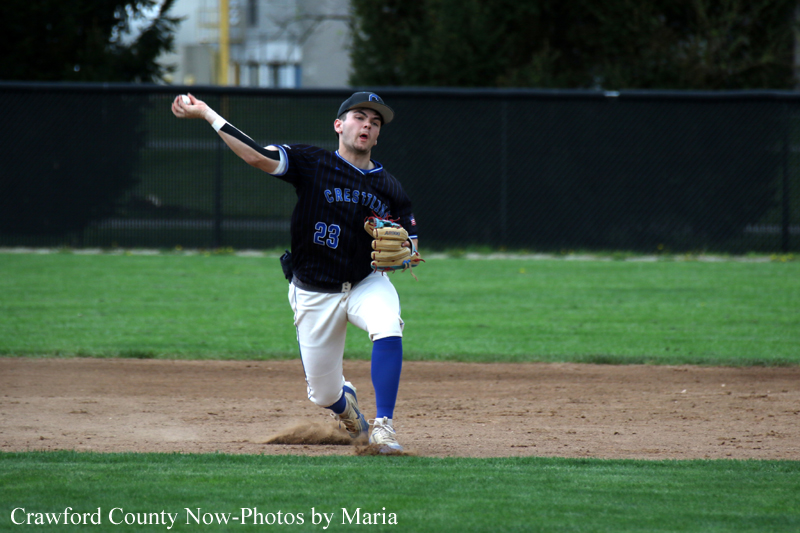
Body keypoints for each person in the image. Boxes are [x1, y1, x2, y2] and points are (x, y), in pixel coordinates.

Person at [171, 91, 418, 453]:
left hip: (366, 282)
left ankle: (384, 427)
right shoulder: (310, 161)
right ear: (339, 125)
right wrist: (209, 113)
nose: (367, 124)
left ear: (378, 136)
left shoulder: (390, 187)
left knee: (388, 326)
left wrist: (407, 251)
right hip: (314, 291)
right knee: (323, 392)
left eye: (375, 121)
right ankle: (346, 407)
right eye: (359, 116)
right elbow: (257, 156)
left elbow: (411, 243)